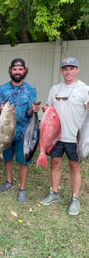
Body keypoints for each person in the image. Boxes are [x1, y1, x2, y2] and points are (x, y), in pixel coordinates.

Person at [40, 57, 89, 215]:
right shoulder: (55, 89)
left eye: (71, 68)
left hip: (75, 137)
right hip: (56, 136)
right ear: (62, 71)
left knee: (74, 166)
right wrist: (45, 109)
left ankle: (75, 198)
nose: (68, 71)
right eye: (65, 68)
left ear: (77, 70)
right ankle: (54, 192)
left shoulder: (84, 89)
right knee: (55, 163)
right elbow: (48, 110)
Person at [0, 58, 40, 203]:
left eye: (20, 69)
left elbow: (29, 112)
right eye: (14, 69)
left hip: (23, 132)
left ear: (25, 70)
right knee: (7, 158)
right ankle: (8, 181)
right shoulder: (2, 89)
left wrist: (33, 110)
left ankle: (22, 188)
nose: (17, 72)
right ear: (10, 70)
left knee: (23, 161)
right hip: (6, 132)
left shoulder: (31, 90)